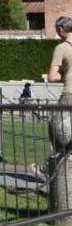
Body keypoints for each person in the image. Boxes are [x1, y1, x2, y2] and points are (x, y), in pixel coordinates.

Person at [48, 17, 72, 149]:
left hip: (69, 94)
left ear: (61, 29)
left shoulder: (61, 48)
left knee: (57, 130)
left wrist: (62, 73)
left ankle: (60, 158)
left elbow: (52, 77)